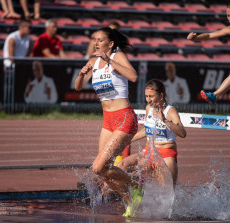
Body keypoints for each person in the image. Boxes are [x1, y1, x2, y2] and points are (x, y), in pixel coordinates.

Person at [74, 27, 138, 214]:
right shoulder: (93, 62)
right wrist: (81, 73)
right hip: (108, 121)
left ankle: (136, 184)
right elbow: (78, 87)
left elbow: (133, 76)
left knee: (98, 166)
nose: (96, 43)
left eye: (100, 40)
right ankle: (131, 201)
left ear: (110, 44)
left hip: (125, 117)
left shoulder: (117, 57)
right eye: (95, 39)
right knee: (102, 170)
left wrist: (109, 60)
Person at [118, 79, 187, 188]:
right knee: (121, 165)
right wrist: (127, 139)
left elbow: (183, 133)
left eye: (151, 96)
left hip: (166, 155)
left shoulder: (170, 111)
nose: (148, 100)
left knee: (166, 191)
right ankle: (136, 187)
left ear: (161, 95)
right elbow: (147, 130)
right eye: (146, 96)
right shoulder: (148, 108)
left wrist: (165, 121)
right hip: (148, 153)